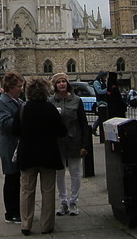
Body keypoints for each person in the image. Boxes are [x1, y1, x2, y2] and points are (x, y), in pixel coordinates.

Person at [15, 77, 67, 235]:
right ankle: (46, 225)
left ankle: (26, 224)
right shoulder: (50, 109)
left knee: (26, 191)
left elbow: (14, 130)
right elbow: (62, 131)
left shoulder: (23, 108)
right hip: (48, 155)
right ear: (46, 92)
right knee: (48, 191)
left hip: (28, 155)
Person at [49, 72, 89, 217]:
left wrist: (85, 144)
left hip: (73, 141)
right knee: (59, 173)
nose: (61, 84)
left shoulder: (77, 101)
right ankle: (63, 202)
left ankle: (74, 202)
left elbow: (84, 124)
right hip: (57, 142)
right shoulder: (51, 102)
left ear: (67, 83)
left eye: (63, 81)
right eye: (59, 82)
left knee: (75, 172)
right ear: (55, 85)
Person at [0, 71, 24, 224]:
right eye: (19, 86)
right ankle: (11, 212)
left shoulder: (17, 101)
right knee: (11, 179)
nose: (21, 89)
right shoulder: (3, 102)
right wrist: (22, 122)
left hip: (17, 145)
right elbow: (5, 124)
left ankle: (17, 210)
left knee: (15, 179)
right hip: (9, 146)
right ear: (10, 86)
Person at [91, 71, 108, 136]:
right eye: (104, 76)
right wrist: (107, 89)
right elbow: (99, 92)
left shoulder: (102, 82)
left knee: (102, 117)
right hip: (101, 102)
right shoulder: (96, 82)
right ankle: (94, 128)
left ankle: (94, 128)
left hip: (104, 101)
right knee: (102, 117)